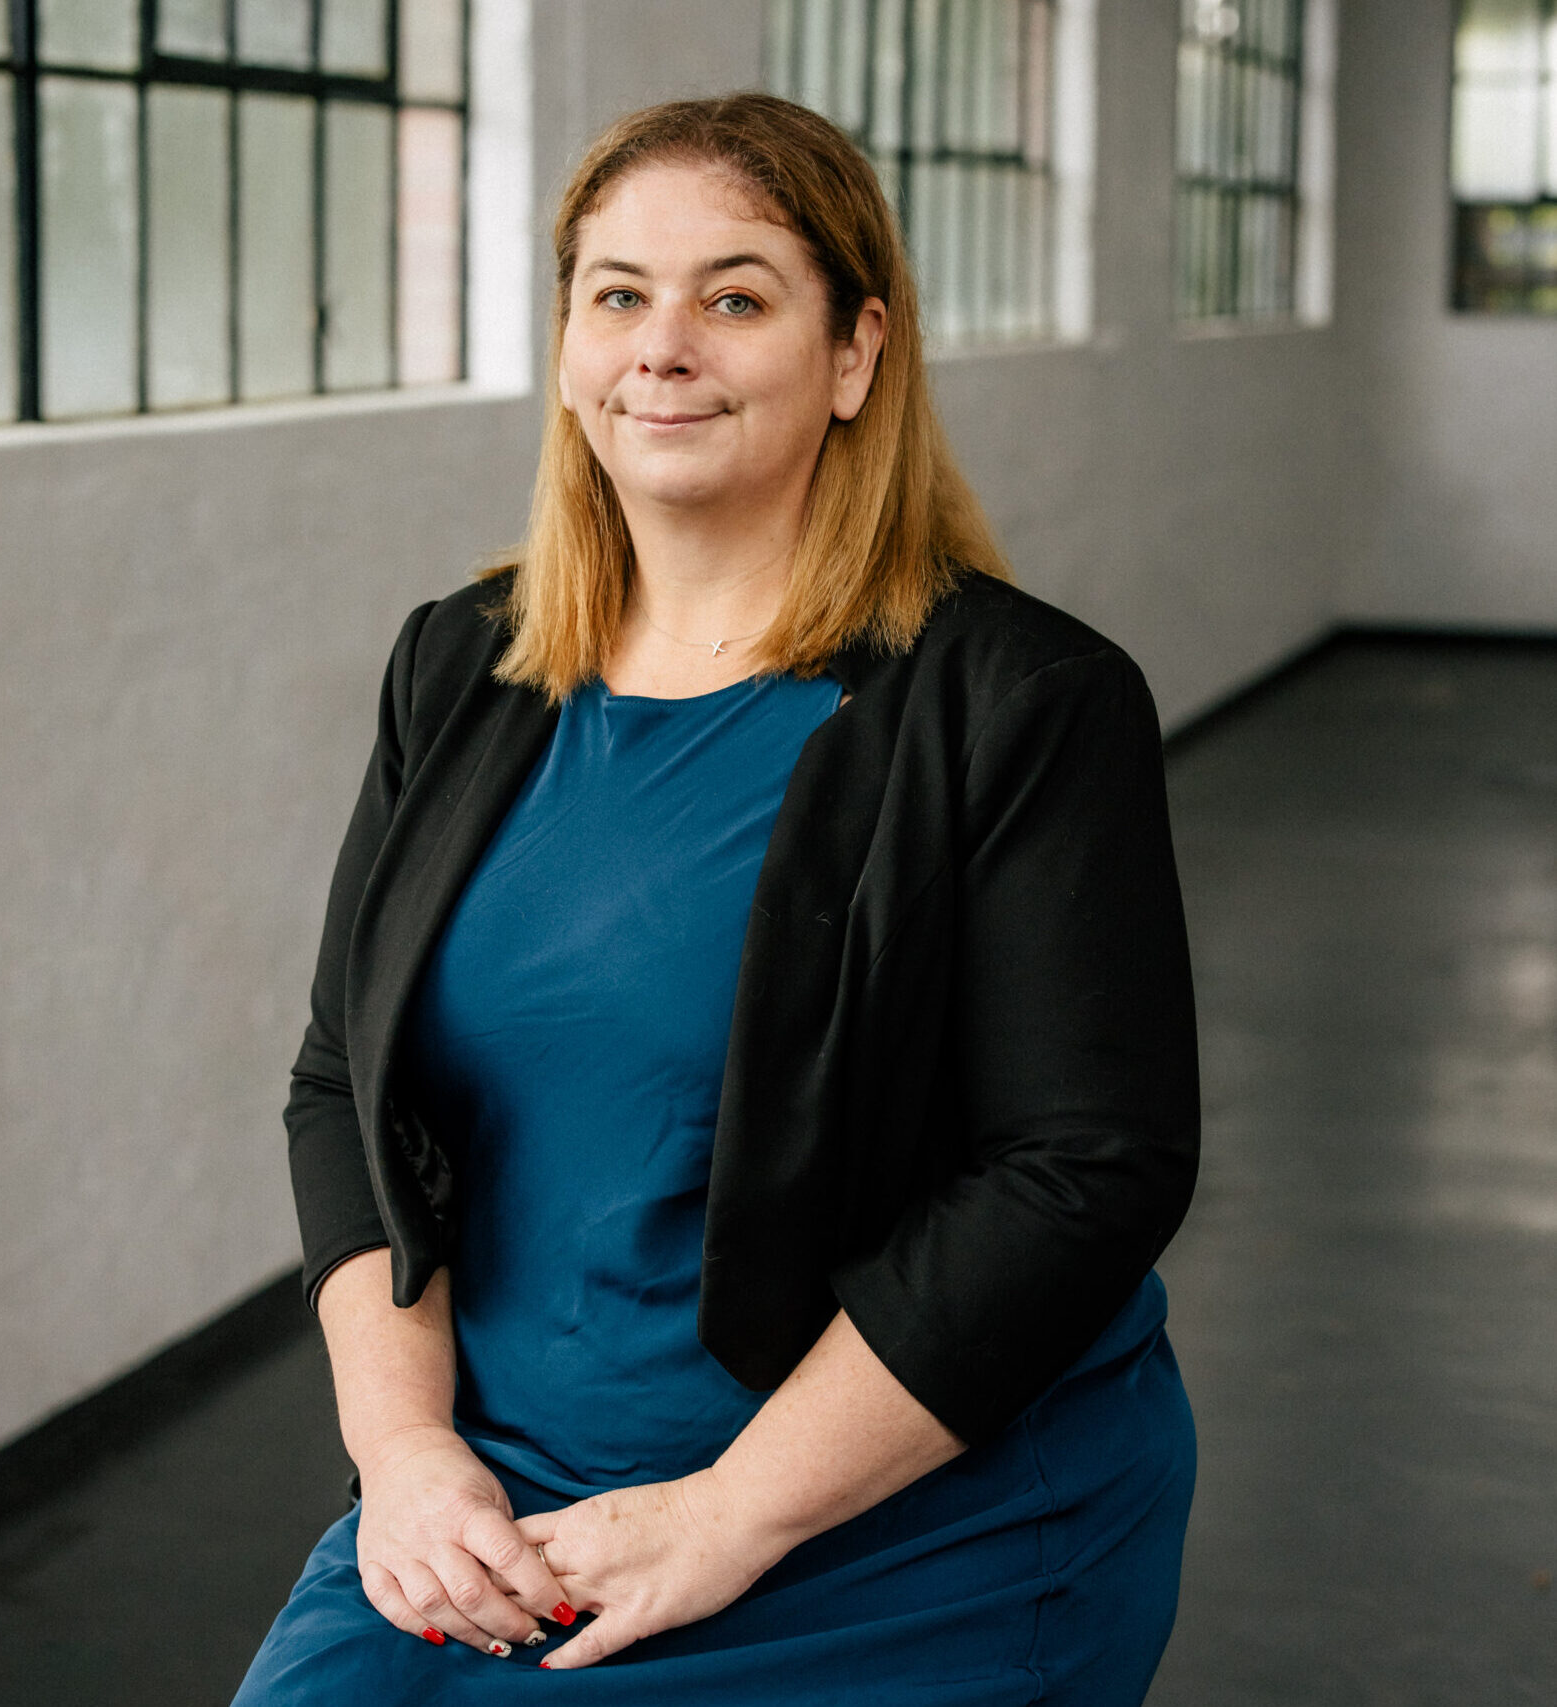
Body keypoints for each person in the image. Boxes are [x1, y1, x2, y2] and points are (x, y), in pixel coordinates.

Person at [235, 92, 1199, 1707]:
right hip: (511, 1492)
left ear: (853, 354)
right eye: (617, 294)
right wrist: (401, 1455)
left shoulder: (1021, 702)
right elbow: (347, 1087)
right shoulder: (460, 666)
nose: (661, 347)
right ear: (566, 344)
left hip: (893, 1517)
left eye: (734, 296)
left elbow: (1083, 1172)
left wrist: (732, 1517)